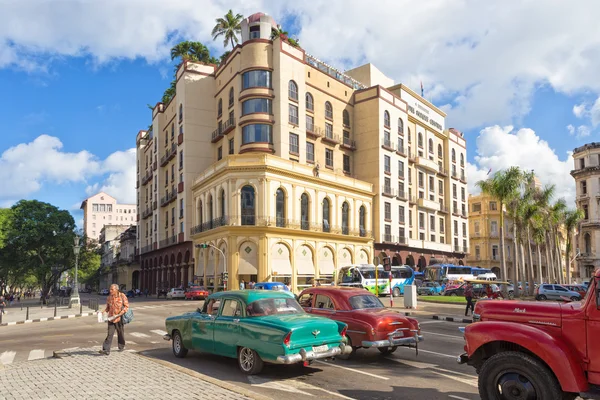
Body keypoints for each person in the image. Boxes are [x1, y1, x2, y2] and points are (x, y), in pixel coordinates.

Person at [100, 284, 129, 355]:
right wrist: (104, 312)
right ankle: (106, 350)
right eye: (110, 289)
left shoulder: (122, 296)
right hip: (111, 318)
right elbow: (108, 307)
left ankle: (121, 346)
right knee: (110, 334)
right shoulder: (109, 297)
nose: (110, 291)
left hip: (119, 317)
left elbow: (126, 306)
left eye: (112, 289)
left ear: (116, 289)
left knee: (120, 333)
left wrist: (121, 313)